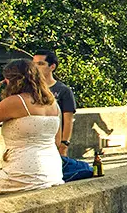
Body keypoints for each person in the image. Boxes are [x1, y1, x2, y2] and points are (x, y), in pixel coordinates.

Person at [0, 59, 63, 198]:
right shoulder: (52, 103)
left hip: (24, 170)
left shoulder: (16, 102)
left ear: (10, 80)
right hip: (52, 169)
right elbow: (57, 141)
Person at [32, 50, 89, 180]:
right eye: (34, 64)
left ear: (52, 67)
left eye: (40, 64)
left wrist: (64, 143)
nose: (36, 67)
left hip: (54, 140)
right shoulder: (31, 89)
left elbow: (68, 119)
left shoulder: (63, 91)